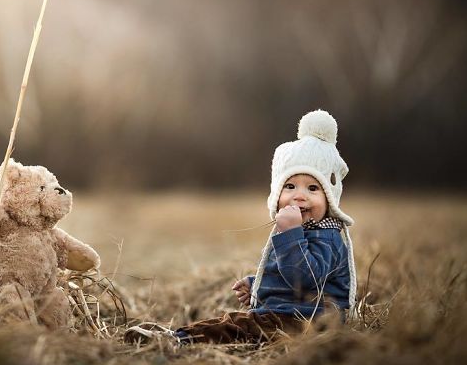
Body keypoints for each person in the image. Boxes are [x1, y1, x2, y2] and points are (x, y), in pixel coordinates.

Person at [125, 110, 357, 345]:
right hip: (287, 316)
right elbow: (288, 276)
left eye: (313, 188)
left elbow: (304, 279)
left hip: (307, 324)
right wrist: (258, 283)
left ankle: (177, 340)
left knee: (237, 327)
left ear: (330, 198)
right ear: (276, 194)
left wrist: (290, 234)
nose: (299, 196)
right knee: (236, 323)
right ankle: (175, 334)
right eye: (289, 186)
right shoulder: (300, 232)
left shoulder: (327, 237)